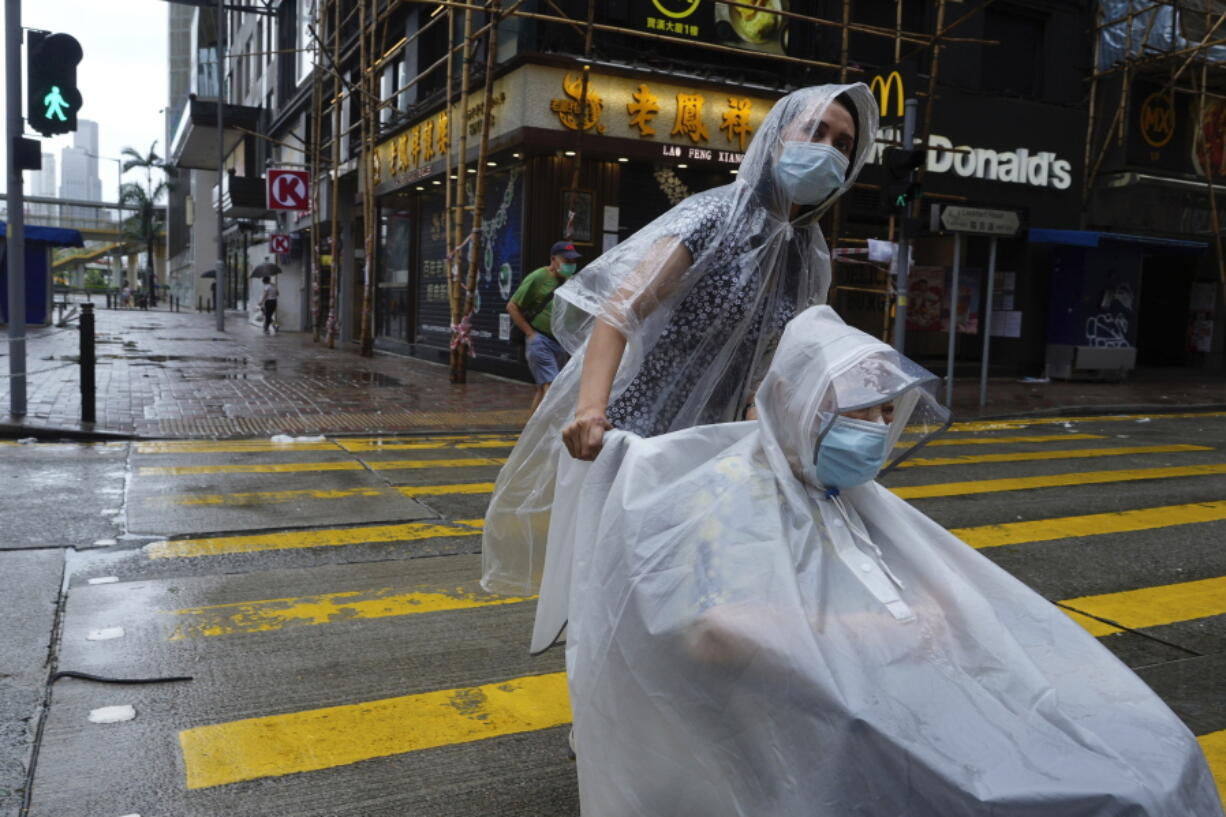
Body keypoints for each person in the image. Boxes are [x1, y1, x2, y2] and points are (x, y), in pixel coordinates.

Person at [542, 305, 1224, 816]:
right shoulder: (728, 494)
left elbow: (931, 591)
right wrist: (873, 635)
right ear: (793, 402)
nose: (872, 428)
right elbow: (710, 630)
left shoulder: (844, 495)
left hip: (900, 698)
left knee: (1146, 748)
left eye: (884, 411)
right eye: (855, 409)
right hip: (828, 728)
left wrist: (951, 622)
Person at [482, 83, 878, 597]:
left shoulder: (807, 255)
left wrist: (786, 454)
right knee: (623, 600)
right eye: (815, 130)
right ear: (777, 136)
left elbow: (774, 370)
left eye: (843, 144)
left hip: (715, 461)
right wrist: (590, 412)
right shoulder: (714, 216)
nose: (827, 148)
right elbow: (619, 310)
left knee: (689, 606)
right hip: (640, 452)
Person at [507, 241, 581, 413]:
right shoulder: (538, 277)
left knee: (542, 390)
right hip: (540, 340)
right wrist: (530, 333)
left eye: (573, 261)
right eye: (567, 261)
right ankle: (551, 431)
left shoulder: (570, 280)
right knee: (552, 387)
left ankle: (531, 433)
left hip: (559, 342)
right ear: (554, 259)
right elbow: (512, 306)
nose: (571, 265)